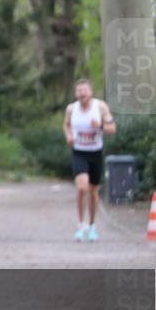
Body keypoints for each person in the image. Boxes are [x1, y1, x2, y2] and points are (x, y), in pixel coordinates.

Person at [63, 78, 116, 242]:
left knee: (93, 192)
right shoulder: (71, 109)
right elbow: (66, 125)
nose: (82, 93)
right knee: (81, 188)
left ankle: (92, 225)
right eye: (79, 91)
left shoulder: (100, 107)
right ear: (76, 93)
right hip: (79, 152)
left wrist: (99, 126)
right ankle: (80, 225)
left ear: (91, 92)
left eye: (85, 90)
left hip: (96, 153)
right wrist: (69, 136)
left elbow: (112, 128)